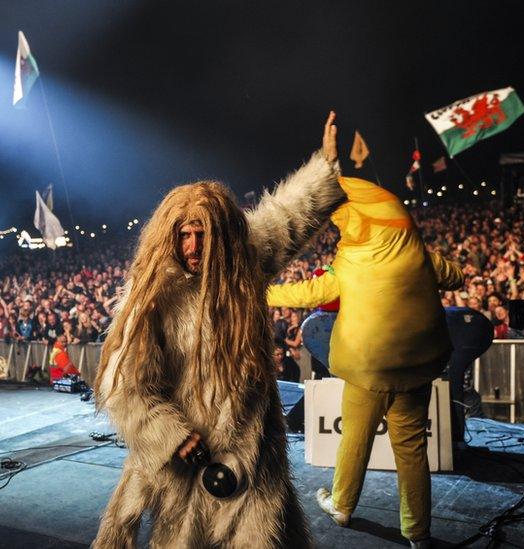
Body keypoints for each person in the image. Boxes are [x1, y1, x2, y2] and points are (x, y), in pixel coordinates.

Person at [92, 111, 347, 548]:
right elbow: (126, 387)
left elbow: (287, 216)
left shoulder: (243, 265)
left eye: (202, 235)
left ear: (223, 237)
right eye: (184, 235)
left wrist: (323, 166)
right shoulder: (152, 297)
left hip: (251, 451)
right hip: (189, 458)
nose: (192, 247)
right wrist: (171, 435)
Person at [267, 175, 464, 548]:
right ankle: (418, 532)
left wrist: (259, 291)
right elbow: (454, 276)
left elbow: (308, 292)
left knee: (354, 441)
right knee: (411, 451)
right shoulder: (417, 252)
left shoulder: (350, 265)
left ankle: (341, 505)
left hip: (368, 369)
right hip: (417, 367)